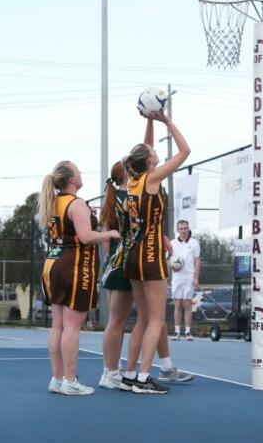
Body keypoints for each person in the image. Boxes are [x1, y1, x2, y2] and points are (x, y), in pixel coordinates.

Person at [99, 160, 194, 390]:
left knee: (150, 317)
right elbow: (116, 231)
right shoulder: (129, 193)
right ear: (127, 174)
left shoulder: (125, 193)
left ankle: (161, 365)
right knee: (129, 319)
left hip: (127, 257)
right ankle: (113, 371)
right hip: (128, 259)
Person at [121, 110, 190, 394]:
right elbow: (185, 151)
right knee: (158, 320)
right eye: (152, 153)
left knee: (143, 319)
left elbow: (144, 147)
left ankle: (128, 375)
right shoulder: (152, 178)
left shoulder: (133, 179)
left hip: (132, 254)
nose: (155, 153)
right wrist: (167, 122)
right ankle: (143, 378)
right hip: (150, 257)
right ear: (149, 160)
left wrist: (148, 120)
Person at [38, 160, 120, 395]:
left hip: (52, 263)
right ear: (72, 179)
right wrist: (109, 233)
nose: (81, 173)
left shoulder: (54, 202)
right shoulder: (77, 204)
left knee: (58, 325)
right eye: (78, 171)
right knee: (72, 326)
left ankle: (57, 377)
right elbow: (85, 237)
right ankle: (70, 380)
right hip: (73, 265)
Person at [170, 220, 201, 341]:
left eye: (185, 228)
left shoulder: (194, 243)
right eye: (181, 229)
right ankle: (177, 332)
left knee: (188, 305)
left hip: (189, 277)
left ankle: (188, 332)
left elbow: (197, 261)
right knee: (177, 305)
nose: (183, 231)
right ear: (177, 230)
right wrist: (172, 266)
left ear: (188, 229)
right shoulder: (172, 243)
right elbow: (168, 260)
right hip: (177, 278)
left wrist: (196, 277)